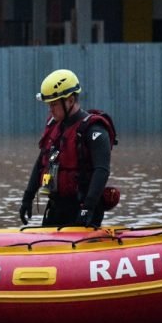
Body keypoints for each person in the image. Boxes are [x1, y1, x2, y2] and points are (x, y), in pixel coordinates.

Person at [19, 69, 117, 228]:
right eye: (49, 104)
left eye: (54, 104)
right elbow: (41, 163)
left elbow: (102, 171)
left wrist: (87, 208)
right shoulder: (54, 126)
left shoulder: (94, 130)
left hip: (83, 208)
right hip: (57, 208)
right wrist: (28, 197)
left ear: (70, 101)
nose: (50, 109)